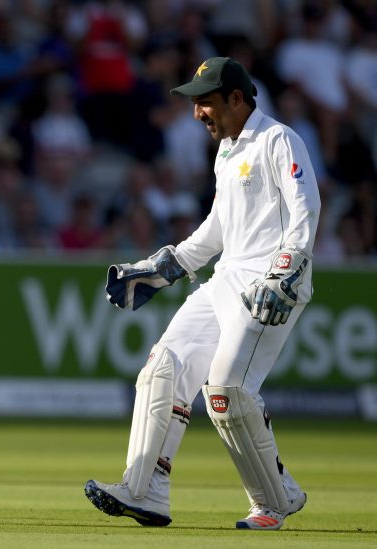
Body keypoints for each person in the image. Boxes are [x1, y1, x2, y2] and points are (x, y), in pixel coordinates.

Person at [84, 57, 320, 530]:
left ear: (237, 99)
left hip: (268, 286)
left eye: (206, 103)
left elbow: (305, 210)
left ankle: (274, 502)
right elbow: (217, 230)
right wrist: (163, 267)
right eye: (194, 105)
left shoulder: (279, 139)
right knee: (163, 367)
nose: (198, 115)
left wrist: (285, 272)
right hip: (225, 281)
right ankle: (144, 490)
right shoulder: (227, 151)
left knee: (227, 392)